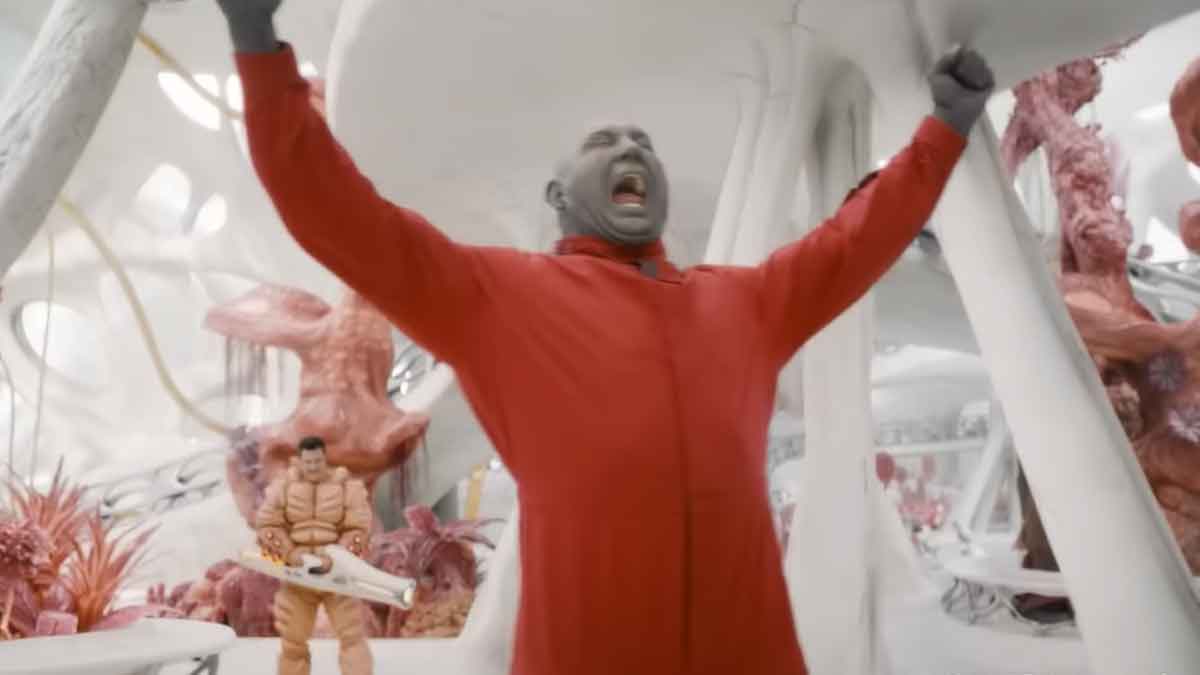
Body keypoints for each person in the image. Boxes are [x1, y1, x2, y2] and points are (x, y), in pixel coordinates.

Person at [216, 2, 995, 672]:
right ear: (558, 196)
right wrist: (256, 42)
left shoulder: (745, 302)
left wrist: (943, 131)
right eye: (605, 142)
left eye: (644, 143)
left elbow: (853, 243)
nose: (632, 149)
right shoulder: (496, 298)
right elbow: (332, 209)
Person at [256, 436, 373, 675]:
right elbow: (267, 526)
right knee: (292, 642)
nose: (313, 467)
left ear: (324, 458)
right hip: (297, 576)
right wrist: (290, 554)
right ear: (299, 461)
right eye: (308, 462)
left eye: (317, 461)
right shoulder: (282, 487)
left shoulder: (347, 487)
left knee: (352, 637)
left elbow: (359, 530)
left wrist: (336, 559)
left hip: (337, 576)